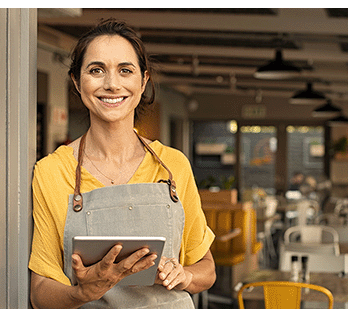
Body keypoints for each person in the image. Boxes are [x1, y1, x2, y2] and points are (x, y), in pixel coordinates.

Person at [28, 19, 216, 309]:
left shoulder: (173, 165)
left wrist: (184, 275)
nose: (112, 84)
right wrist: (82, 292)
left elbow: (206, 269)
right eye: (96, 70)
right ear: (77, 82)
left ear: (142, 81)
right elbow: (40, 291)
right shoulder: (52, 172)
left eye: (125, 70)